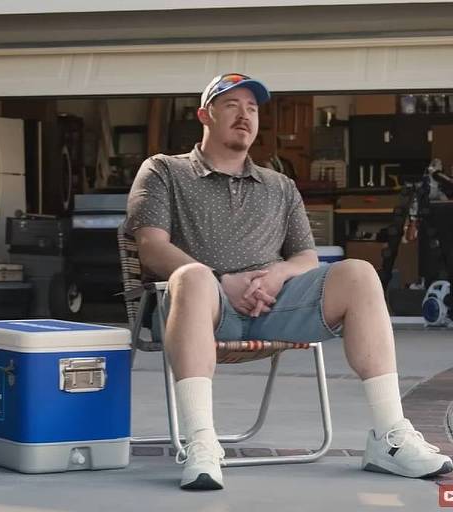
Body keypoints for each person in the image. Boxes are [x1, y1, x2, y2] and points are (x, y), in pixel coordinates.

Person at [126, 73, 453, 491]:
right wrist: (222, 282)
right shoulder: (164, 170)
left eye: (253, 108)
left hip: (274, 307)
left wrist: (278, 274)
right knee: (191, 276)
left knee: (359, 273)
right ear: (205, 115)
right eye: (232, 105)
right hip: (203, 307)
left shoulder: (279, 185)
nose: (245, 115)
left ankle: (390, 438)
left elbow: (306, 257)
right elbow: (152, 247)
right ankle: (202, 442)